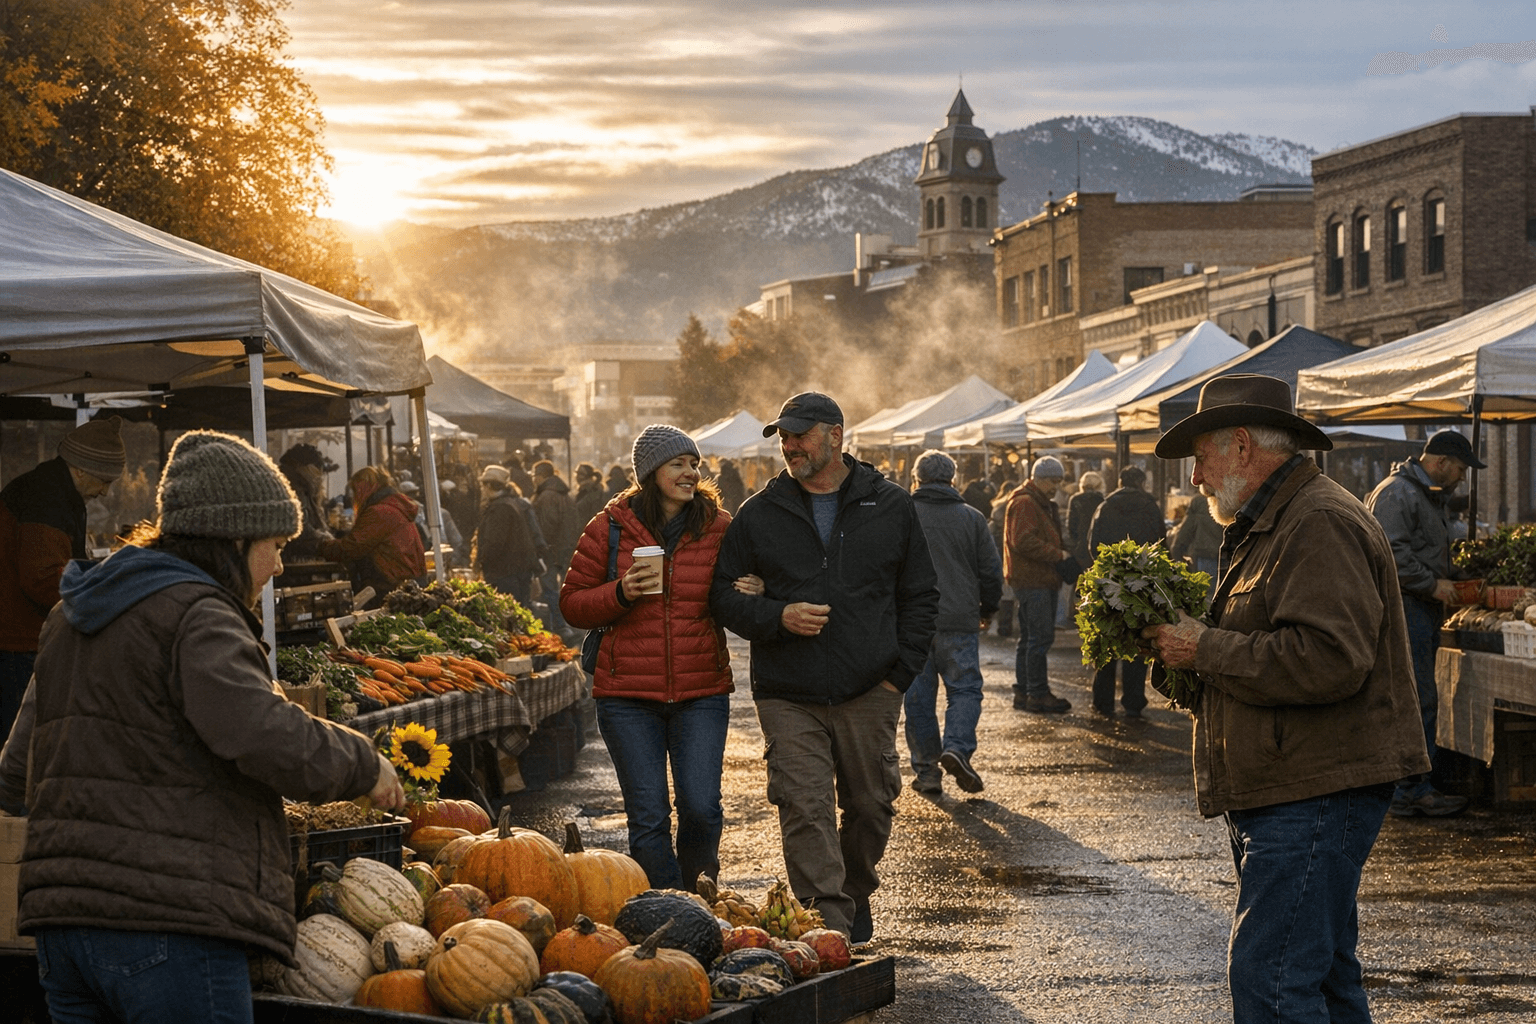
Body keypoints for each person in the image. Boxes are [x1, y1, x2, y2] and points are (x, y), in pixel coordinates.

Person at [0, 429, 404, 1021]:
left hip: (63, 933)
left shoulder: (72, 612)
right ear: (235, 538)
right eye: (275, 544)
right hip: (169, 927)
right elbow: (261, 731)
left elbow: (15, 773)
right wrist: (364, 762)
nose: (280, 563)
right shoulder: (197, 612)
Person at [1140, 374, 1430, 1023]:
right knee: (1320, 977)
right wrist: (1183, 659)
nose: (1196, 478)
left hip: (1314, 789)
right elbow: (1267, 653)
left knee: (1271, 981)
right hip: (1291, 785)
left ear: (1241, 446)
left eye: (1201, 457)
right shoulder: (1274, 521)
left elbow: (1331, 660)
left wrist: (1204, 649)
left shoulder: (1318, 521)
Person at [709, 392, 938, 943]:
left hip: (870, 688)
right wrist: (775, 615)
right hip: (788, 691)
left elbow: (921, 596)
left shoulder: (889, 504)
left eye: (800, 435)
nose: (789, 446)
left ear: (836, 435)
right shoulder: (760, 512)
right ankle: (826, 934)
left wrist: (896, 678)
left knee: (871, 805)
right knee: (804, 807)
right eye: (783, 437)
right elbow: (721, 595)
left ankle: (854, 891)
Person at [560, 426, 756, 891]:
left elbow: (741, 586)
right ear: (651, 473)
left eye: (694, 464)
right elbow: (572, 603)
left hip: (701, 690)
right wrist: (620, 592)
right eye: (679, 465)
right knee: (647, 818)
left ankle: (701, 900)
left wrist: (755, 589)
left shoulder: (718, 527)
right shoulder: (608, 527)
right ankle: (669, 908)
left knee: (702, 809)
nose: (691, 473)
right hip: (627, 695)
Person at [1365, 429, 1484, 818]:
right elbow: (1391, 554)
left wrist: (1456, 573)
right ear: (1441, 463)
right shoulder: (1398, 494)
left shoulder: (1424, 494)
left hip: (1420, 609)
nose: (1463, 478)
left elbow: (1421, 550)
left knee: (1419, 696)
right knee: (1415, 698)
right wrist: (1433, 584)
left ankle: (1411, 786)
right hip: (1405, 611)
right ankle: (1408, 789)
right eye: (1461, 469)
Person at [0, 416, 124, 743]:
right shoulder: (46, 498)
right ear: (80, 469)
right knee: (21, 746)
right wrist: (103, 595)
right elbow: (42, 579)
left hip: (21, 636)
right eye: (103, 480)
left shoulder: (56, 490)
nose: (105, 491)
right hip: (18, 641)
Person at [904, 450, 1002, 795]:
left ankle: (927, 772)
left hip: (912, 622)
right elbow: (991, 571)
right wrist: (987, 610)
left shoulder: (902, 514)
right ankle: (957, 748)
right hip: (960, 617)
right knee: (965, 690)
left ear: (916, 479)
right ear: (953, 479)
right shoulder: (972, 518)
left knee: (918, 698)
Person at [1085, 465, 1165, 718]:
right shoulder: (1149, 506)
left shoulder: (1105, 506)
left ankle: (1103, 701)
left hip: (1110, 582)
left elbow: (1092, 545)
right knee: (1137, 642)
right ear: (1141, 482)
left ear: (1120, 481)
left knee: (1108, 640)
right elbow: (1160, 544)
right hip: (1142, 583)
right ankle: (1133, 701)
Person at [1004, 456, 1073, 713]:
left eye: (1059, 480)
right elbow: (1023, 540)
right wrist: (1058, 555)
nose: (1056, 486)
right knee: (1039, 639)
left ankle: (1024, 691)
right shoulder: (1025, 503)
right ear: (1039, 478)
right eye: (1053, 480)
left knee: (1029, 639)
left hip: (1031, 578)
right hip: (1035, 579)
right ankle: (1037, 693)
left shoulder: (1034, 501)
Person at [317, 466, 426, 607]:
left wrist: (321, 546)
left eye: (355, 492)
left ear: (362, 489)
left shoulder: (379, 512)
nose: (354, 498)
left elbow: (352, 547)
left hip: (391, 586)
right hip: (408, 582)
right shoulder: (392, 505)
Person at [474, 465, 546, 606]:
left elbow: (494, 543)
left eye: (483, 485)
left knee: (509, 615)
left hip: (505, 574)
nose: (482, 489)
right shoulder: (512, 503)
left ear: (489, 485)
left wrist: (480, 561)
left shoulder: (500, 508)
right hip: (518, 572)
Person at [531, 460, 581, 634]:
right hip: (566, 548)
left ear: (540, 476)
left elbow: (546, 526)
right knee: (564, 589)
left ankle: (560, 627)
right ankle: (568, 623)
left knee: (550, 589)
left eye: (533, 476)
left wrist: (541, 549)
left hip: (551, 551)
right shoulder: (565, 495)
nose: (533, 480)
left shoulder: (546, 497)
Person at [276, 443, 336, 561]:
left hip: (296, 555)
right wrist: (325, 540)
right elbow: (301, 529)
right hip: (293, 558)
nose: (319, 475)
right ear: (302, 466)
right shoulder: (293, 488)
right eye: (316, 470)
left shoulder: (303, 486)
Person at [989, 475, 1020, 637]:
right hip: (1017, 556)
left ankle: (1004, 626)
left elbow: (990, 535)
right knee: (1018, 593)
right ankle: (1017, 625)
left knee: (1006, 593)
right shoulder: (1019, 508)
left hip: (1001, 555)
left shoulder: (997, 510)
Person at [1171, 491, 1222, 579]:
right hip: (1230, 556)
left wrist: (1176, 549)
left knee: (1205, 589)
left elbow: (1187, 530)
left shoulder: (1200, 502)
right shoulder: (1233, 498)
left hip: (1206, 555)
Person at [1065, 470, 1105, 573]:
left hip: (1080, 546)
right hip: (1098, 546)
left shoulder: (1075, 499)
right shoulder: (1101, 500)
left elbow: (1070, 525)